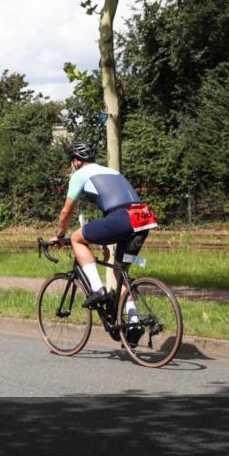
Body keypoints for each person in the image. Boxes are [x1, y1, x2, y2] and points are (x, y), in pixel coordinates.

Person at [50, 140, 157, 340]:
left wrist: (60, 236)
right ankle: (133, 321)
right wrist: (104, 240)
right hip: (143, 217)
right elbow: (115, 206)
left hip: (122, 218)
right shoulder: (112, 172)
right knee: (121, 272)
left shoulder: (79, 174)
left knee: (77, 239)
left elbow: (66, 212)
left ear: (76, 161)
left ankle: (98, 290)